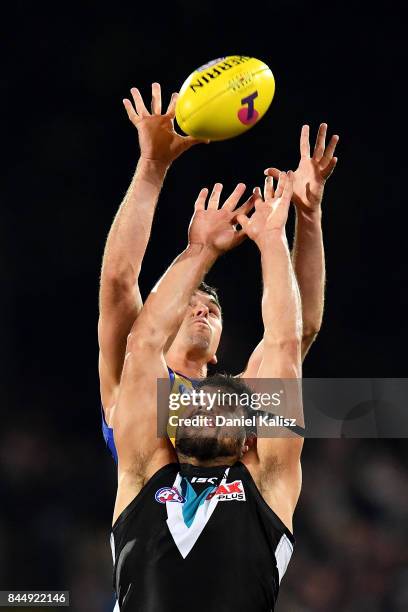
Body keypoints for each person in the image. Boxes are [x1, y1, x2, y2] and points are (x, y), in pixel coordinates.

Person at [98, 83, 339, 460]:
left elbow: (300, 328)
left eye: (212, 310)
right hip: (148, 514)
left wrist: (308, 215)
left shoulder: (239, 400)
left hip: (238, 519)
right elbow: (117, 280)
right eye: (190, 305)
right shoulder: (131, 377)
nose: (201, 311)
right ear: (159, 323)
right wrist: (151, 167)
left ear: (218, 349)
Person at [110, 171, 303, 611]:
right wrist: (201, 251)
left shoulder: (266, 482)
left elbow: (284, 343)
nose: (207, 407)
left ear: (249, 436)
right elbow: (143, 343)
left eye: (222, 405)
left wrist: (274, 236)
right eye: (197, 402)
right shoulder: (143, 472)